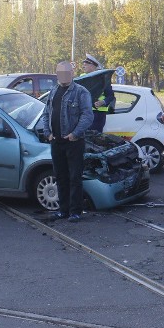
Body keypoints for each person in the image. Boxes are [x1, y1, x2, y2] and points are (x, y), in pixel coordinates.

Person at [41, 61, 93, 222]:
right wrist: (47, 133)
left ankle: (75, 211)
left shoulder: (80, 92)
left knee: (74, 178)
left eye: (67, 72)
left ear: (72, 73)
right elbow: (46, 114)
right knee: (61, 177)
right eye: (60, 72)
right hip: (56, 142)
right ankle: (63, 210)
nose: (63, 76)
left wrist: (74, 133)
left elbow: (87, 115)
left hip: (74, 142)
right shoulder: (53, 91)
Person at [80, 53, 115, 133]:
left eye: (86, 64)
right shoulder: (82, 78)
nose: (83, 66)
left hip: (98, 113)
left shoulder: (103, 79)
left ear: (93, 66)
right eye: (83, 64)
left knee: (94, 138)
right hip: (84, 112)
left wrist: (103, 102)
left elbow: (111, 96)